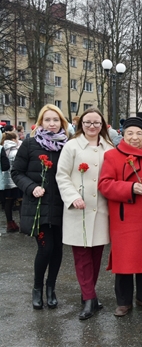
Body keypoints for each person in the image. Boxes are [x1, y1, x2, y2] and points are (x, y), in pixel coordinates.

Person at [98, 117, 142, 317]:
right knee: (124, 260)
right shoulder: (112, 155)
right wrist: (130, 187)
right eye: (130, 133)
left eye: (139, 133)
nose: (134, 137)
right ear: (123, 135)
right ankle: (123, 301)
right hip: (124, 217)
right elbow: (105, 184)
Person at [56, 108, 114, 320]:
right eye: (88, 122)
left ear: (102, 125)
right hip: (78, 210)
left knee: (96, 256)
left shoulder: (108, 148)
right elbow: (62, 175)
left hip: (100, 210)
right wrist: (72, 197)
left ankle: (88, 294)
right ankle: (89, 299)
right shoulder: (72, 146)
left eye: (96, 123)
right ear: (81, 124)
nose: (92, 127)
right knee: (81, 257)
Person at [12, 104, 69, 310]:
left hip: (61, 207)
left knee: (58, 250)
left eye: (56, 120)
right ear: (40, 122)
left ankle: (50, 288)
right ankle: (37, 288)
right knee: (45, 248)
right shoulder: (29, 144)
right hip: (38, 207)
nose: (52, 124)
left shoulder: (67, 145)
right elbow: (16, 172)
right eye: (48, 120)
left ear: (61, 122)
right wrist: (31, 187)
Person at [2, 131, 21, 232]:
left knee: (8, 202)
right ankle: (23, 224)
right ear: (13, 139)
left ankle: (10, 223)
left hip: (6, 181)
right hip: (17, 180)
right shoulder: (17, 150)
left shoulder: (2, 148)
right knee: (21, 201)